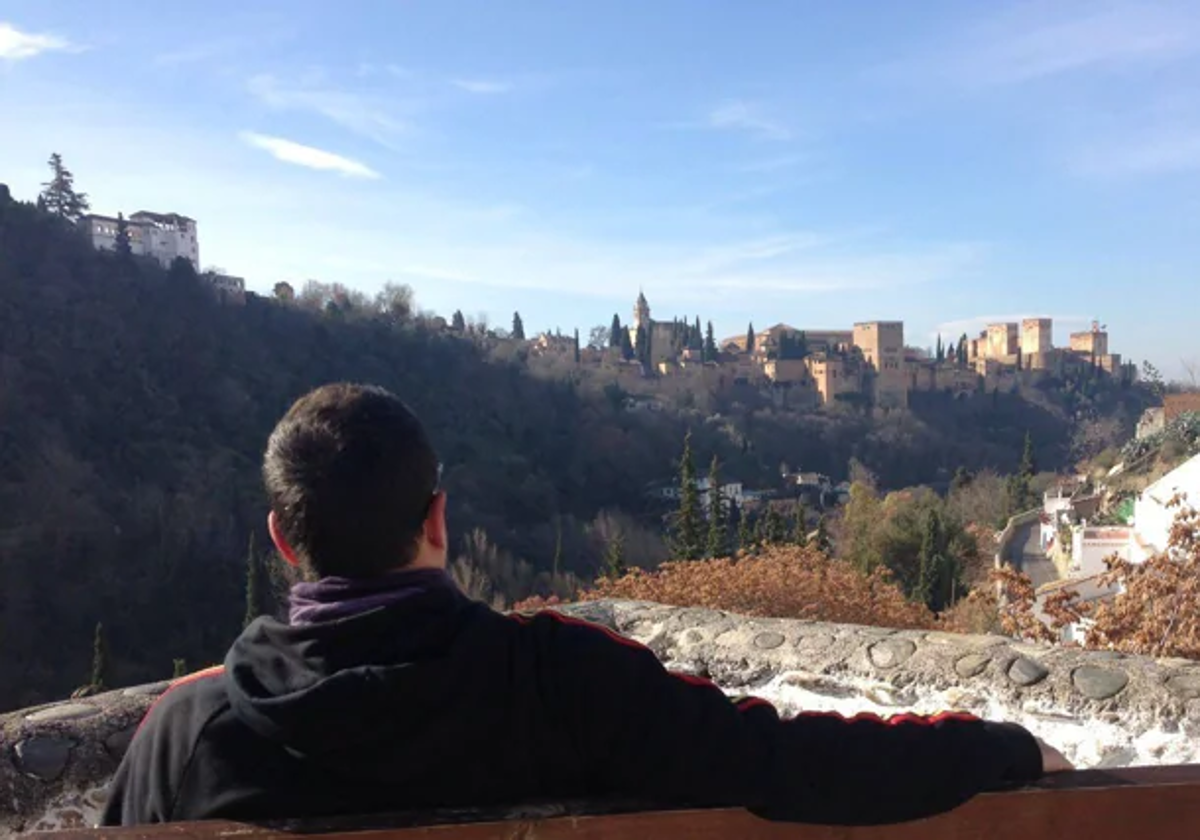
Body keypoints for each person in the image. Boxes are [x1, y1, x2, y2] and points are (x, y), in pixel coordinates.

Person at [103, 382, 1071, 827]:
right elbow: (794, 762)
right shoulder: (564, 683)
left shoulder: (185, 736)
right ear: (439, 517)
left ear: (282, 539)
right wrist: (1000, 747)